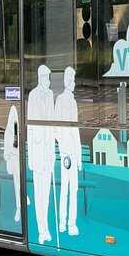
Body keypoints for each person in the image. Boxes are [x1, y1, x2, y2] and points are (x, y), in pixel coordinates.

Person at [27, 65, 56, 244]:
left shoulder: (50, 95)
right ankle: (41, 230)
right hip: (38, 153)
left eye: (49, 78)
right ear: (40, 79)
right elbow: (30, 128)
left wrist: (52, 153)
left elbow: (52, 125)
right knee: (38, 194)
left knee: (46, 194)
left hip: (48, 153)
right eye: (45, 78)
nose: (48, 82)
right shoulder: (33, 96)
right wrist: (31, 158)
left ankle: (46, 228)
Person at [54, 66, 81, 236]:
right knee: (67, 189)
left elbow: (75, 129)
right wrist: (64, 144)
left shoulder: (71, 101)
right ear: (68, 81)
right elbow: (57, 127)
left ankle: (68, 223)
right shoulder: (63, 100)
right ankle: (66, 223)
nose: (75, 83)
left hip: (70, 152)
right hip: (67, 153)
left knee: (71, 189)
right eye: (73, 79)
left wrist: (78, 156)